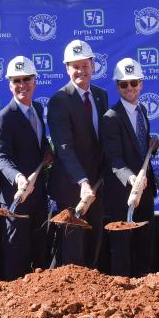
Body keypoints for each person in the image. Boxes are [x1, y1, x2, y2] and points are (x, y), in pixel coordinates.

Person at [47, 39, 108, 268]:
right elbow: (64, 147)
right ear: (67, 69)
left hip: (97, 184)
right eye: (75, 66)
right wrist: (82, 181)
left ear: (93, 65)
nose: (81, 71)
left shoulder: (101, 96)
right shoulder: (59, 101)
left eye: (85, 65)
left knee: (93, 241)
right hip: (71, 186)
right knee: (73, 247)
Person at [0, 56, 54, 280]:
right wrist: (18, 177)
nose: (22, 85)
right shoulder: (4, 117)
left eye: (26, 79)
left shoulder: (37, 108)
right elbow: (0, 158)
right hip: (15, 197)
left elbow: (38, 142)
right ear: (10, 84)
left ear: (34, 81)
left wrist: (46, 150)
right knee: (15, 252)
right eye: (16, 80)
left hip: (38, 195)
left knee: (39, 249)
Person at [100, 58, 158, 276]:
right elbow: (114, 158)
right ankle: (121, 296)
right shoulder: (111, 117)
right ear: (117, 87)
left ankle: (144, 291)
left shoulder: (142, 112)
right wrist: (131, 178)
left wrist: (151, 147)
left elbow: (138, 148)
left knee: (144, 243)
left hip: (145, 189)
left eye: (134, 83)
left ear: (141, 83)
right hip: (123, 191)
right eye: (124, 84)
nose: (129, 88)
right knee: (122, 247)